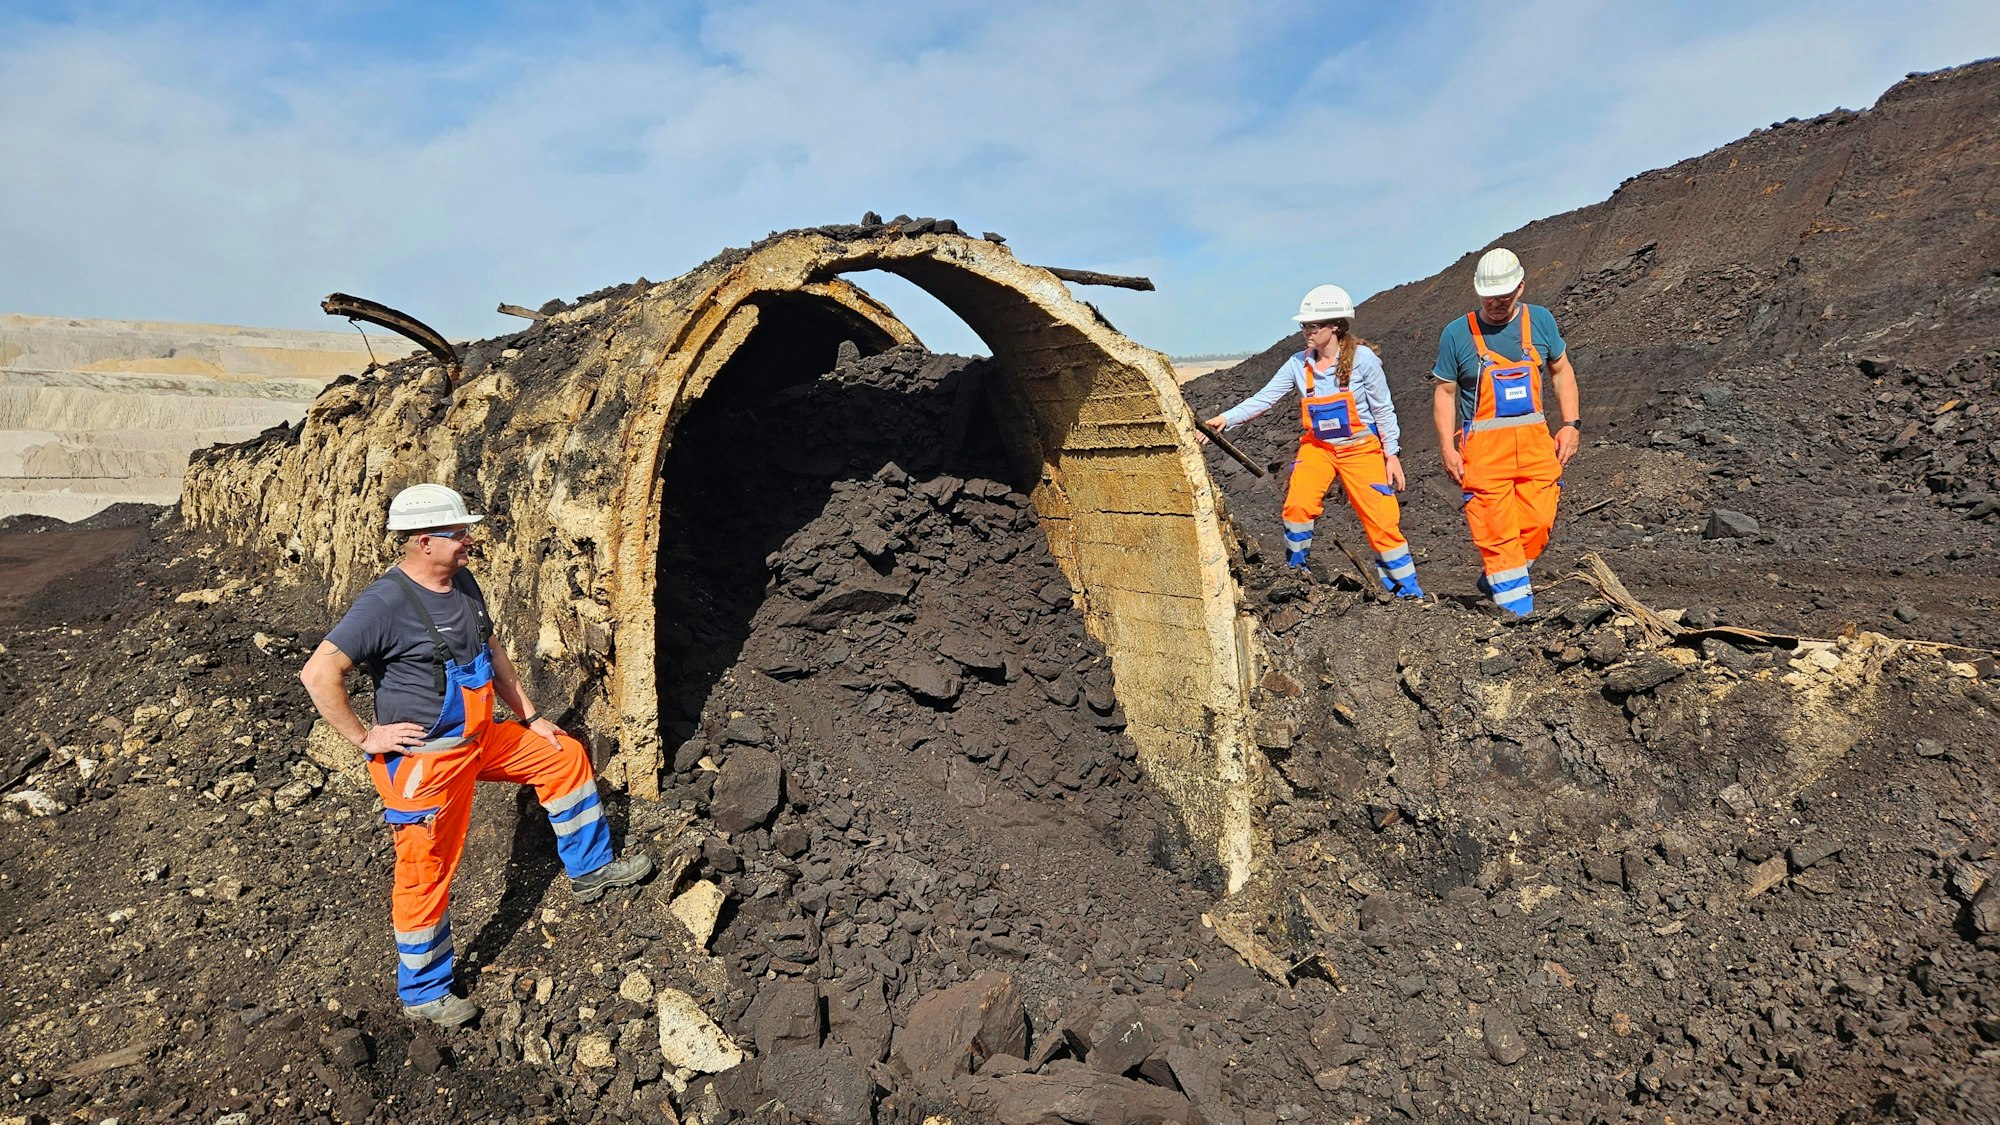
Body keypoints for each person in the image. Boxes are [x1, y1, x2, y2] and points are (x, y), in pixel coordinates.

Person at [300, 483, 653, 1027]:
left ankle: (591, 869)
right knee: (425, 871)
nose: (469, 540)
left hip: (480, 738)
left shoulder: (462, 582)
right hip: (427, 762)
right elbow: (319, 673)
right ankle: (424, 991)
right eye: (458, 533)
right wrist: (365, 737)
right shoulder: (384, 603)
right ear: (423, 541)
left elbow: (492, 651)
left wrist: (530, 717)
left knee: (561, 756)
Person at [1206, 285, 1423, 598]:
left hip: (1361, 450)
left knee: (1382, 520)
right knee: (1297, 505)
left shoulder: (1363, 361)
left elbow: (1383, 410)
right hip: (1318, 448)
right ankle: (1297, 574)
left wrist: (1392, 455)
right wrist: (1226, 419)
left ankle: (1406, 592)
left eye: (1312, 325)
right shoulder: (1298, 364)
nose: (1306, 331)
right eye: (1304, 325)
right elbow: (1265, 398)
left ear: (1334, 326)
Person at [1431, 247, 1582, 617]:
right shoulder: (1457, 334)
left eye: (1503, 295)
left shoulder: (1540, 321)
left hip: (1536, 449)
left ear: (1520, 288)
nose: (1495, 303)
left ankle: (1496, 578)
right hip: (1484, 455)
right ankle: (1519, 617)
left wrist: (1571, 424)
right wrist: (1447, 448)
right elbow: (1445, 393)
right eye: (1488, 295)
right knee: (1498, 535)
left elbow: (1561, 370)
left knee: (1539, 524)